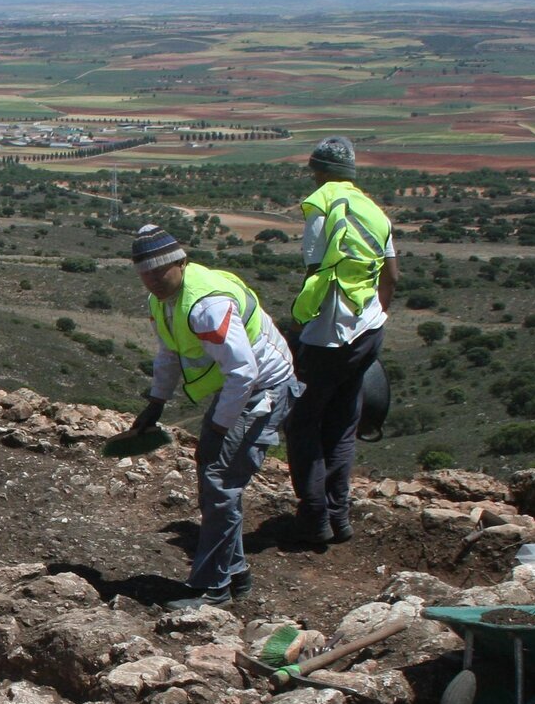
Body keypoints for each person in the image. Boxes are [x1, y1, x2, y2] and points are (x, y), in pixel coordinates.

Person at [121, 225, 298, 607]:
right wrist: (155, 403)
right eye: (145, 274)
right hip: (239, 388)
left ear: (181, 263)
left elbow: (244, 373)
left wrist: (218, 427)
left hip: (264, 387)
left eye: (159, 271)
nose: (152, 280)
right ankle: (234, 575)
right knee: (214, 475)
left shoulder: (205, 305)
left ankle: (211, 589)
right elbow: (169, 353)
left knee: (219, 480)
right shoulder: (163, 302)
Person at [283, 136, 397, 545]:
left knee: (303, 423)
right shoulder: (376, 213)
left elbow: (316, 274)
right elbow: (391, 276)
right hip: (369, 333)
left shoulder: (322, 206)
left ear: (320, 171)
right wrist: (376, 317)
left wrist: (299, 327)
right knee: (344, 424)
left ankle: (314, 518)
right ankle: (340, 516)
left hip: (327, 336)